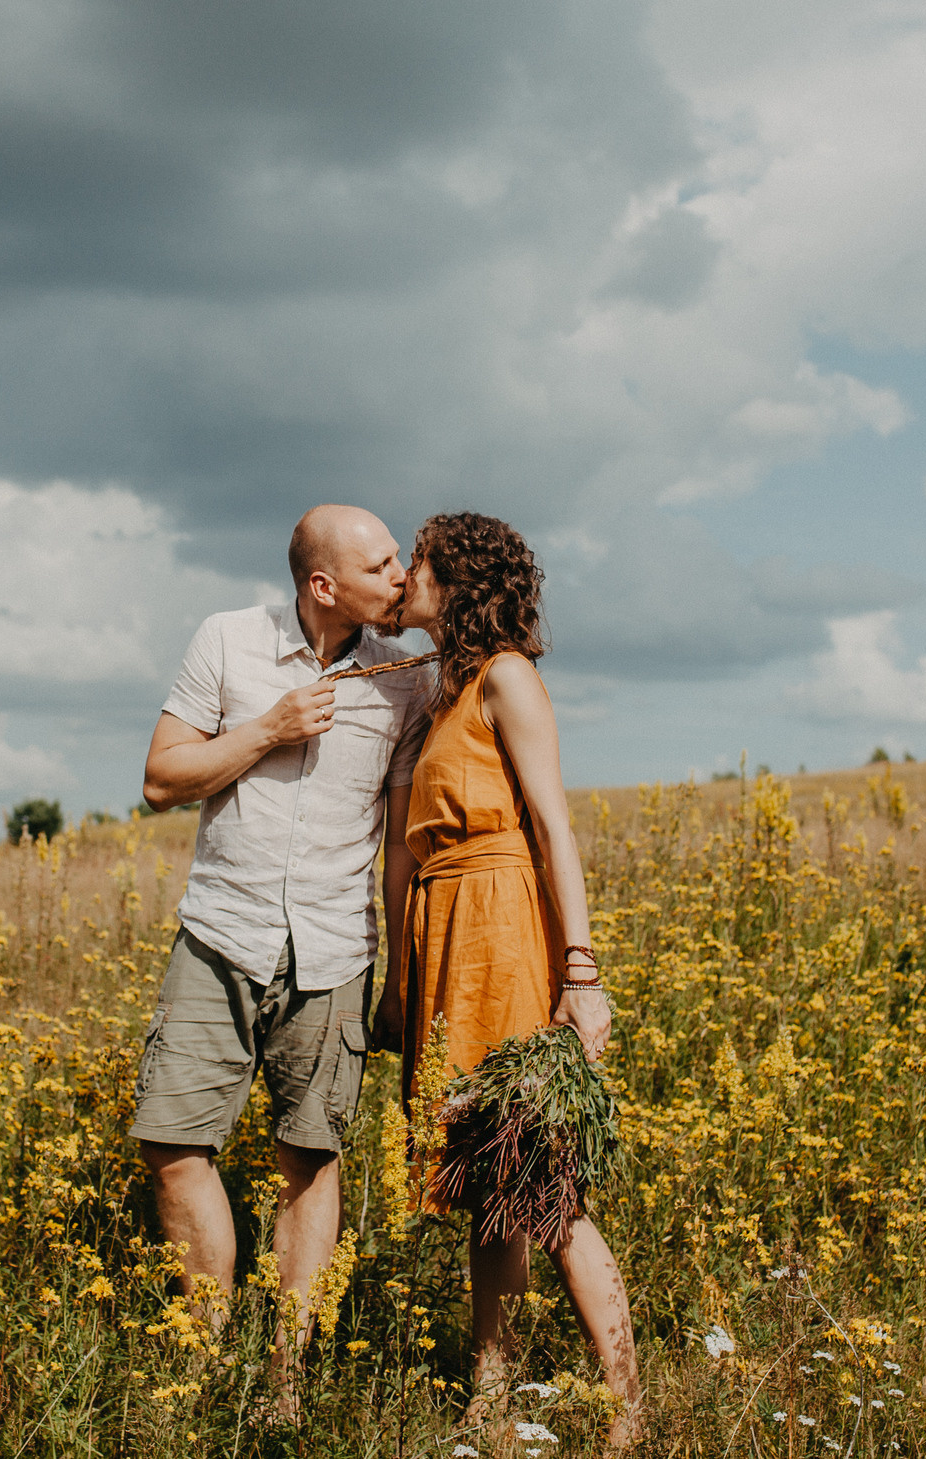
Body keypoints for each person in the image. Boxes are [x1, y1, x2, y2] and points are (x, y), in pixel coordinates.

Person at [132, 503, 438, 1405]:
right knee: (172, 1140)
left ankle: (285, 1377)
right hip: (221, 933)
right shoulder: (227, 641)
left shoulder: (405, 679)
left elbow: (398, 845)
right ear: (323, 584)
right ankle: (203, 1363)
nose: (401, 574)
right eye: (383, 564)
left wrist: (399, 976)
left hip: (336, 950)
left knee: (310, 1157)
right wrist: (267, 728)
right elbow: (159, 779)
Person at [381, 510, 641, 1447]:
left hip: (501, 927)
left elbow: (553, 825)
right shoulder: (440, 688)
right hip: (445, 932)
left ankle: (627, 1403)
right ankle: (488, 1395)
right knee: (486, 1180)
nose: (403, 574)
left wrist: (583, 972)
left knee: (541, 1179)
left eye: (415, 560)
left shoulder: (507, 678)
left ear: (454, 578)